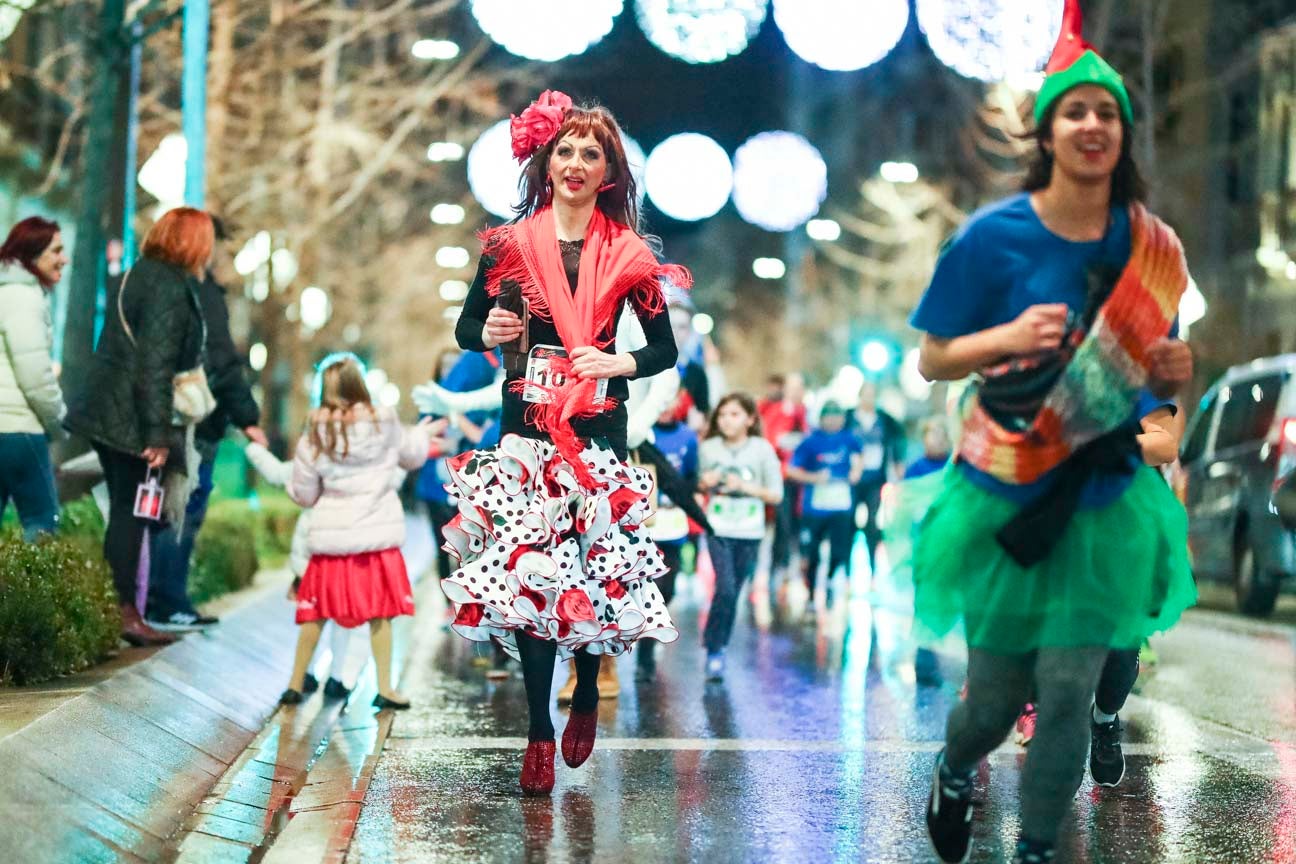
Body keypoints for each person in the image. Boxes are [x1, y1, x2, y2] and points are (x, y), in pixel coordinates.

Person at [911, 5, 1196, 862]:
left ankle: (1038, 847)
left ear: (1123, 132)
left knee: (1072, 692)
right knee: (994, 700)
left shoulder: (1155, 249)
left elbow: (1158, 380)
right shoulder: (991, 238)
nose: (1092, 125)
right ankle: (957, 767)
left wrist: (1172, 379)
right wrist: (1004, 339)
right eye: (1076, 110)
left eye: (1107, 112)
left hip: (1103, 500)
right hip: (1004, 489)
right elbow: (933, 360)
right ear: (1048, 128)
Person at [440, 91, 685, 796]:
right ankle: (538, 729)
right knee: (533, 581)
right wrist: (486, 335)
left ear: (607, 170)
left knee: (592, 576)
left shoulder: (630, 253)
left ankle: (584, 688)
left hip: (598, 432)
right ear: (545, 164)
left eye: (591, 153)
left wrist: (618, 362)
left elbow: (663, 348)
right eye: (565, 151)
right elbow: (467, 327)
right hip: (525, 431)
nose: (575, 163)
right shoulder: (508, 244)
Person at [66, 207, 216, 647]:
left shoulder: (139, 274)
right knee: (133, 515)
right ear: (192, 243)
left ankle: (120, 607)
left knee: (126, 514)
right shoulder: (168, 287)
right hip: (131, 419)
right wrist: (157, 435)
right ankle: (125, 612)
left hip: (110, 409)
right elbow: (155, 364)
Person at [280, 353, 438, 708]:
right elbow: (413, 456)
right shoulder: (385, 423)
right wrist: (421, 435)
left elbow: (304, 495)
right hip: (376, 538)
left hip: (331, 541)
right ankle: (385, 689)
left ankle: (293, 684)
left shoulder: (314, 436)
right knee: (380, 615)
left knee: (315, 613)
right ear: (360, 384)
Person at [147, 216, 266, 631]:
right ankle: (168, 601)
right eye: (227, 249)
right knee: (183, 509)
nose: (231, 259)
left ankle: (159, 599)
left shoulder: (172, 286)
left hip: (178, 417)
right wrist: (248, 417)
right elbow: (221, 357)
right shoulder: (202, 293)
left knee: (169, 508)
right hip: (197, 420)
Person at [245, 437, 355, 700]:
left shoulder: (307, 464)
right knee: (343, 618)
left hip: (310, 557)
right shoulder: (354, 466)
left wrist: (254, 447)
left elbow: (274, 472)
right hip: (343, 552)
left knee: (311, 618)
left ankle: (305, 675)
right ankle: (336, 677)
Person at [698, 393, 783, 680]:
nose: (726, 421)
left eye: (734, 414)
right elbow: (695, 486)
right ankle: (713, 649)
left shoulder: (762, 450)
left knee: (733, 594)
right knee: (726, 588)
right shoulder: (708, 449)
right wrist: (703, 484)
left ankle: (718, 646)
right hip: (718, 528)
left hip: (750, 531)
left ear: (750, 419)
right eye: (721, 415)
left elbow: (776, 494)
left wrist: (746, 487)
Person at [0, 216, 68, 540]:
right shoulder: (23, 297)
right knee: (42, 522)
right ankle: (31, 593)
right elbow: (35, 377)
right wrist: (57, 420)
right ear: (33, 253)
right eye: (56, 250)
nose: (63, 259)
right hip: (19, 430)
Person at [786, 401, 863, 609]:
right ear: (821, 419)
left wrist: (855, 473)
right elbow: (791, 469)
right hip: (815, 507)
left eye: (837, 416)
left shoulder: (849, 440)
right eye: (829, 416)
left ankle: (830, 579)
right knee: (811, 551)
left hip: (841, 505)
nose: (833, 421)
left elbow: (857, 462)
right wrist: (813, 477)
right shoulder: (810, 442)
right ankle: (811, 593)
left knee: (840, 549)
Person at [847, 381, 905, 578]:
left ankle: (872, 567)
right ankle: (847, 569)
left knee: (872, 521)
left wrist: (898, 465)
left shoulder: (885, 420)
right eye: (866, 394)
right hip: (852, 479)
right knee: (849, 521)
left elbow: (897, 441)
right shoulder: (848, 418)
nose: (869, 399)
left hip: (875, 477)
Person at [757, 373, 808, 585]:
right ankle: (774, 567)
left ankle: (785, 565)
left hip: (800, 480)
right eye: (793, 387)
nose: (797, 392)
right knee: (780, 523)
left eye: (800, 388)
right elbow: (769, 440)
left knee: (793, 526)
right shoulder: (773, 410)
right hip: (779, 476)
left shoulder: (804, 413)